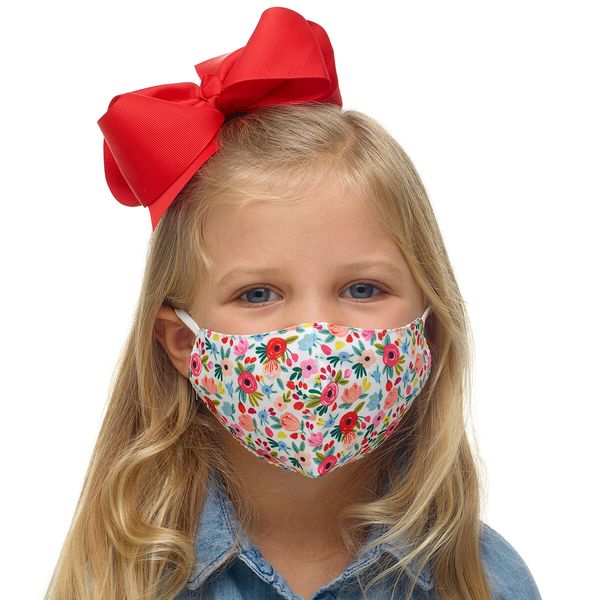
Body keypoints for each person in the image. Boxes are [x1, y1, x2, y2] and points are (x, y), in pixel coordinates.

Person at [45, 7, 542, 600]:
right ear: (183, 342)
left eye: (362, 289)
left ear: (427, 331)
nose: (315, 334)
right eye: (258, 294)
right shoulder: (119, 578)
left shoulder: (485, 580)